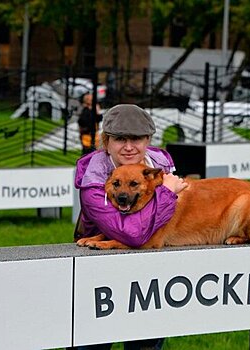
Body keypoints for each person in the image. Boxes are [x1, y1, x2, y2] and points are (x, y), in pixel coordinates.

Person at [72, 104, 187, 350]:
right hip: (100, 270)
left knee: (145, 340)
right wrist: (166, 192)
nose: (128, 146)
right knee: (94, 340)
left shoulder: (161, 165)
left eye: (136, 139)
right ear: (106, 142)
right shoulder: (94, 177)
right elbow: (132, 234)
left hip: (149, 270)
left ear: (148, 140)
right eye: (120, 139)